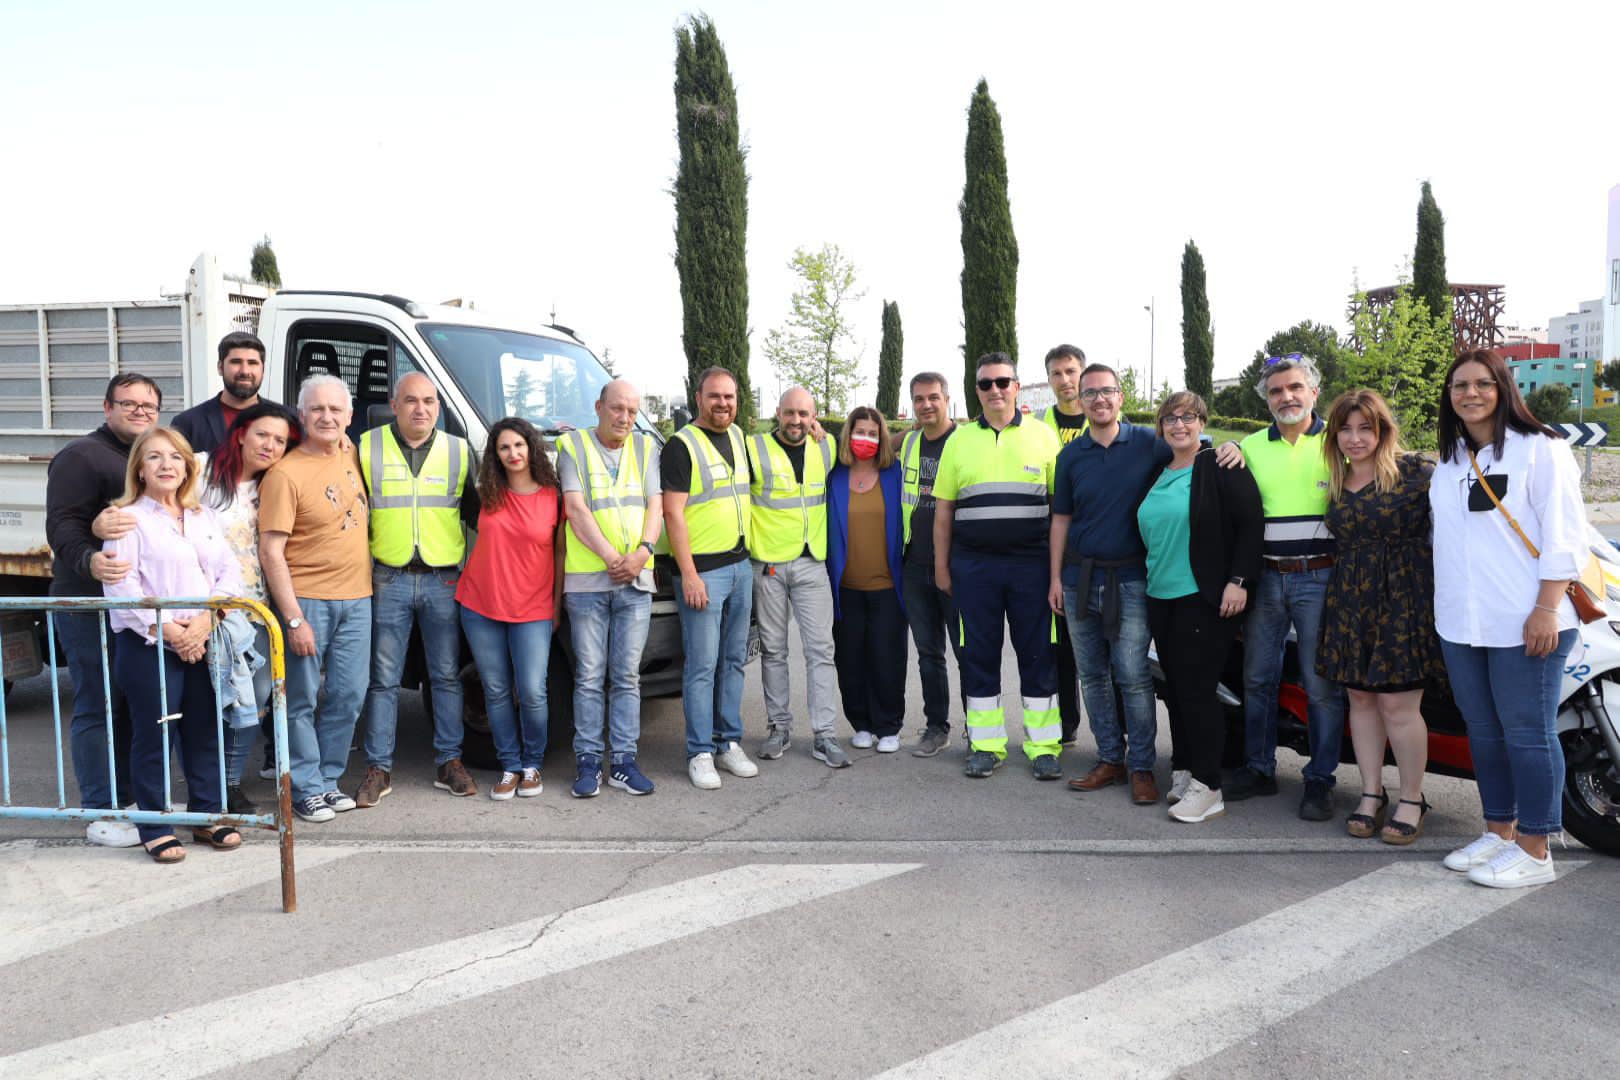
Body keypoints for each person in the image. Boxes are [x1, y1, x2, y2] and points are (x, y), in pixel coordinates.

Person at [1432, 349, 1588, 888]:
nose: (1470, 394)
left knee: (1528, 733)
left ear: (1503, 389)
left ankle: (1536, 847)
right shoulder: (1451, 460)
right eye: (1459, 386)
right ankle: (1499, 832)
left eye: (1482, 383)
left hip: (1527, 618)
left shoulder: (1541, 449)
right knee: (1483, 732)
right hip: (1461, 622)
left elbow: (1565, 535)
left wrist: (1546, 608)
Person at [102, 428, 244, 863]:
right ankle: (154, 825)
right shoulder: (127, 519)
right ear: (139, 470)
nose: (167, 465)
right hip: (148, 644)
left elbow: (229, 573)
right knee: (155, 733)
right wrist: (171, 631)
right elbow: (122, 587)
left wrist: (205, 621)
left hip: (203, 636)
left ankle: (206, 815)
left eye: (176, 457)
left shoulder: (203, 516)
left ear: (188, 467)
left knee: (204, 729)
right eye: (155, 457)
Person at [1316, 390, 1442, 844]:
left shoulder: (1417, 474)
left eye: (1365, 428)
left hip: (1403, 600)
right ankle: (1371, 793)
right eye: (1345, 429)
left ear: (1383, 430)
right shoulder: (1335, 478)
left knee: (1397, 705)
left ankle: (1412, 798)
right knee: (1361, 700)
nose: (1355, 438)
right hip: (1350, 600)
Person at [934, 353, 1063, 780]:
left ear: (1017, 386)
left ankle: (1043, 746)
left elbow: (1060, 511)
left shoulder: (1044, 437)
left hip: (1032, 566)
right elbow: (943, 512)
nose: (995, 390)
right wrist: (942, 568)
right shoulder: (959, 441)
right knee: (978, 656)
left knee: (1038, 655)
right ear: (976, 391)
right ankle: (986, 745)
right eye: (986, 384)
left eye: (1003, 382)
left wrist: (1057, 572)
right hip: (974, 567)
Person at [45, 372, 161, 847]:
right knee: (98, 704)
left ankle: (128, 800)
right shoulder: (82, 456)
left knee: (131, 703)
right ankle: (99, 809)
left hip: (132, 605)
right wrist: (90, 559)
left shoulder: (146, 457)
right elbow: (62, 524)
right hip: (88, 603)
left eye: (148, 405)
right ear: (107, 407)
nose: (139, 411)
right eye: (128, 403)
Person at [1136, 393, 1263, 823]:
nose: (1179, 425)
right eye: (1170, 418)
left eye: (1188, 417)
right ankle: (1185, 767)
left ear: (1202, 422)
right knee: (1175, 690)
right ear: (1161, 427)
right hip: (1161, 596)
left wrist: (1239, 581)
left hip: (1203, 597)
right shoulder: (1158, 472)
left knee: (1197, 691)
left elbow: (1251, 525)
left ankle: (1209, 787)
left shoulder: (1220, 465)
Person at [1230, 354, 1345, 821]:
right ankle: (1259, 768)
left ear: (1314, 392)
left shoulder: (1339, 441)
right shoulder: (1251, 446)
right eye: (1276, 391)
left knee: (1321, 686)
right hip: (1266, 577)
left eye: (1295, 387)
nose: (1286, 397)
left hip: (1320, 577)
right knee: (1258, 678)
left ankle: (1320, 779)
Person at [356, 373, 480, 805]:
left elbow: (479, 514)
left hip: (443, 578)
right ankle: (378, 768)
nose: (420, 409)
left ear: (438, 407)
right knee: (383, 680)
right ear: (394, 405)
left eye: (428, 401)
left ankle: (450, 762)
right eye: (410, 400)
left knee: (445, 676)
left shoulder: (458, 451)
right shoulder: (366, 447)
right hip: (387, 576)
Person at [1049, 361, 1170, 804]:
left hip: (1132, 579)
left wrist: (1232, 449)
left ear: (1120, 397)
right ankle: (1109, 759)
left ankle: (1142, 767)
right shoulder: (1070, 456)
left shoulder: (1148, 444)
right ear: (1080, 402)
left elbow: (1193, 451)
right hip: (1079, 580)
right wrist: (1054, 578)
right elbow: (1061, 520)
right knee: (1092, 675)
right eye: (1090, 393)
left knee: (1133, 675)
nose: (1099, 399)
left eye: (1106, 391)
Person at [258, 374, 372, 823]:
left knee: (349, 695)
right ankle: (304, 786)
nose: (327, 417)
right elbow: (271, 551)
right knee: (300, 700)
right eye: (317, 409)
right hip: (306, 600)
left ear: (349, 416)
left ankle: (327, 780)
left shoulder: (351, 454)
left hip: (358, 599)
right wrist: (293, 619)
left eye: (335, 409)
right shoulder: (284, 474)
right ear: (302, 416)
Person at [558, 379, 662, 797]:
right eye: (618, 408)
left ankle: (623, 762)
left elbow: (655, 506)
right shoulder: (573, 446)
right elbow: (575, 508)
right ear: (599, 407)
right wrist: (611, 557)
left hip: (636, 578)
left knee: (626, 677)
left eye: (633, 411)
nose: (625, 418)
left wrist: (643, 552)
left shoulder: (646, 448)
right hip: (588, 582)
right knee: (588, 676)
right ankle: (587, 762)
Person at [201, 402, 303, 813]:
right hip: (205, 610)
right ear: (241, 433)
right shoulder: (200, 471)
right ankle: (209, 786)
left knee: (254, 696)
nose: (270, 445)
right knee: (207, 702)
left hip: (255, 610)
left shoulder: (272, 485)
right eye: (263, 434)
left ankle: (228, 782)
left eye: (280, 441)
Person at [662, 366, 759, 790]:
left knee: (732, 661)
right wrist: (689, 574)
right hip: (703, 573)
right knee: (702, 665)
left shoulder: (738, 437)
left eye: (729, 397)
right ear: (698, 398)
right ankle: (700, 751)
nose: (723, 403)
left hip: (740, 567)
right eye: (715, 396)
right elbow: (672, 513)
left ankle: (728, 742)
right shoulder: (681, 446)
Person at [458, 418, 564, 800]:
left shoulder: (553, 495)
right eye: (504, 447)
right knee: (496, 690)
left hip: (533, 607)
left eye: (519, 445)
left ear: (531, 447)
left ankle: (532, 763)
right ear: (496, 454)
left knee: (532, 691)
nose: (513, 453)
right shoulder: (486, 493)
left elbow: (560, 553)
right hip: (480, 603)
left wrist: (556, 605)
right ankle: (509, 766)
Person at [747, 388, 850, 767]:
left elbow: (870, 446)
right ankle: (779, 728)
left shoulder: (827, 446)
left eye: (804, 414)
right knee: (774, 651)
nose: (796, 421)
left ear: (814, 416)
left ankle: (825, 734)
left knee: (821, 651)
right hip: (769, 565)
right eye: (789, 413)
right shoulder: (754, 448)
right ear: (777, 412)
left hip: (812, 562)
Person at [827, 406, 907, 753]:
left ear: (882, 438)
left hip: (887, 586)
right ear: (848, 435)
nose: (866, 439)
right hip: (846, 587)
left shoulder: (894, 473)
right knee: (850, 660)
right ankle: (860, 723)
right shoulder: (834, 475)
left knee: (887, 659)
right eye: (860, 432)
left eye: (873, 433)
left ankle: (888, 725)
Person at [898, 373, 965, 757]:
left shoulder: (965, 441)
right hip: (914, 564)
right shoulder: (909, 442)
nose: (926, 405)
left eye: (933, 397)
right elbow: (874, 442)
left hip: (957, 566)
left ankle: (980, 726)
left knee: (967, 651)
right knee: (928, 654)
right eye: (919, 399)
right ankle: (936, 727)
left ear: (947, 399)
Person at [1034, 344, 1089, 745]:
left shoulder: (1107, 417)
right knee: (1060, 643)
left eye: (1071, 371)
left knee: (1105, 647)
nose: (1065, 380)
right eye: (1057, 373)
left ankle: (1117, 733)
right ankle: (1066, 722)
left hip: (1095, 545)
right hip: (1049, 546)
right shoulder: (1037, 425)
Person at [173, 331, 278, 456]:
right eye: (236, 362)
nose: (245, 371)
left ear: (263, 369)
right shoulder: (187, 424)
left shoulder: (285, 421)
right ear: (220, 367)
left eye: (252, 363)